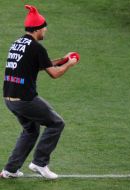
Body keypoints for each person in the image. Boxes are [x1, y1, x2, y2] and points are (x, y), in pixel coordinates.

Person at [0, 5, 79, 179]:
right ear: (38, 29)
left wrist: (62, 59)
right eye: (44, 28)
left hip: (9, 98)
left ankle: (10, 170)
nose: (45, 31)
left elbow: (42, 64)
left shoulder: (18, 43)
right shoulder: (37, 48)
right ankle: (39, 163)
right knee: (56, 123)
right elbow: (54, 73)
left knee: (31, 131)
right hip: (25, 100)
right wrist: (69, 64)